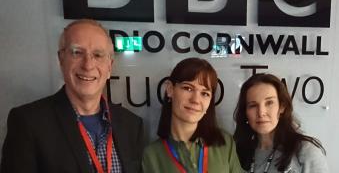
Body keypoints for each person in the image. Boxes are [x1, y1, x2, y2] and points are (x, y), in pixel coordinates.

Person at [1, 19, 144, 173]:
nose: (88, 65)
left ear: (109, 66)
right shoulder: (28, 123)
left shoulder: (131, 125)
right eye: (77, 53)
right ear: (61, 60)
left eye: (97, 55)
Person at [142, 57, 243, 173]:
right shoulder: (151, 155)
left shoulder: (224, 143)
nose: (195, 100)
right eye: (188, 88)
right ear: (170, 89)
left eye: (205, 93)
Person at [233, 73, 329, 173]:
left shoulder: (306, 152)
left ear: (282, 107)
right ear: (245, 111)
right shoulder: (237, 152)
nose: (261, 112)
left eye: (269, 103)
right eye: (253, 105)